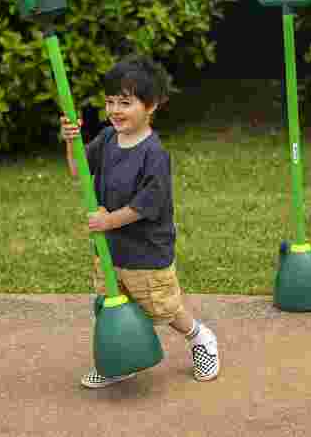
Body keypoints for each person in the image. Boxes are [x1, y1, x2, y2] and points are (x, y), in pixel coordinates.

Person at [60, 54, 220, 388]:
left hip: (146, 252)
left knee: (163, 308)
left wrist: (108, 222)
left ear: (150, 106)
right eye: (110, 101)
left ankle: (201, 338)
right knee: (112, 304)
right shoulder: (106, 139)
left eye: (126, 103)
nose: (115, 110)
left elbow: (144, 206)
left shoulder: (154, 154)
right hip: (111, 250)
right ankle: (121, 359)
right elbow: (77, 170)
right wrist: (71, 141)